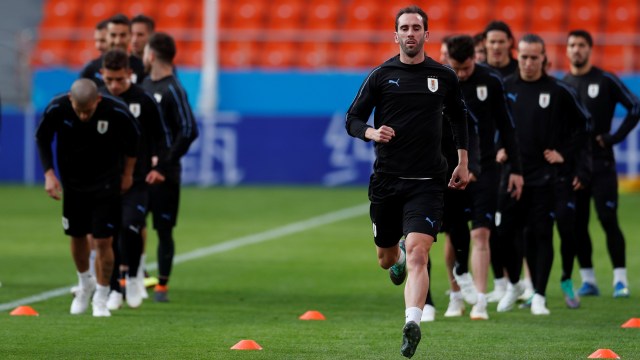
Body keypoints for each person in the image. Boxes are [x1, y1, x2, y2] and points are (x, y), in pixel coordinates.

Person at [346, 6, 469, 358]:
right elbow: (352, 118)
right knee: (387, 259)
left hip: (429, 182)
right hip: (387, 181)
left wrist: (462, 161)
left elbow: (460, 118)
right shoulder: (381, 75)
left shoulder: (443, 76)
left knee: (419, 253)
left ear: (427, 35)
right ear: (395, 35)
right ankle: (394, 253)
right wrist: (370, 131)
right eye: (405, 28)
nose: (411, 33)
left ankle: (412, 322)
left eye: (417, 27)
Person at [498, 34, 591, 315]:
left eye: (533, 57)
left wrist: (564, 152)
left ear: (544, 58)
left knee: (541, 235)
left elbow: (584, 124)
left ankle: (538, 294)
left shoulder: (558, 90)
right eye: (523, 57)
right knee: (503, 235)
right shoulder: (504, 87)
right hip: (512, 174)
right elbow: (490, 123)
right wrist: (498, 147)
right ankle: (514, 285)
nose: (527, 62)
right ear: (518, 56)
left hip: (544, 178)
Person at [35, 79, 140, 317]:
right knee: (77, 235)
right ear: (71, 100)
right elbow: (42, 138)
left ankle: (101, 297)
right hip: (73, 186)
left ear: (98, 101)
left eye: (88, 111)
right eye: (78, 110)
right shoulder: (56, 108)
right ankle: (84, 285)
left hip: (106, 184)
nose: (83, 116)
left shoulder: (115, 110)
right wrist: (49, 174)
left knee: (104, 241)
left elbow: (134, 141)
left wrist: (128, 174)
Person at [445, 34, 524, 320]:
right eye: (457, 68)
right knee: (454, 235)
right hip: (451, 171)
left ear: (474, 60)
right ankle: (456, 291)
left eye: (466, 68)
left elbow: (507, 126)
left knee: (481, 233)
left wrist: (516, 169)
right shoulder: (442, 82)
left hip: (487, 170)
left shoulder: (490, 81)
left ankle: (479, 300)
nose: (462, 74)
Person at [563, 30, 640, 298]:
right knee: (578, 223)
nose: (576, 50)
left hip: (602, 164)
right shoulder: (564, 84)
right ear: (567, 50)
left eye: (581, 45)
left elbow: (635, 106)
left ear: (589, 49)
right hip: (575, 167)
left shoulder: (605, 79)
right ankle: (589, 279)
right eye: (572, 45)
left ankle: (620, 280)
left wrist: (613, 137)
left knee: (608, 218)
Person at [99, 49, 172, 310]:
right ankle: (115, 286)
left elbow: (162, 137)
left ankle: (132, 278)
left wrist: (160, 165)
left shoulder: (143, 99)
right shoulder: (98, 98)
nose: (114, 85)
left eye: (119, 79)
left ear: (130, 74)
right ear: (102, 76)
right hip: (104, 180)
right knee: (109, 234)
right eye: (109, 80)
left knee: (131, 226)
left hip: (137, 179)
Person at [142, 32, 199, 302]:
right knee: (131, 224)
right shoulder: (142, 86)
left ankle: (162, 286)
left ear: (151, 55)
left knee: (163, 228)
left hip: (165, 174)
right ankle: (131, 278)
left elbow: (188, 129)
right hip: (139, 171)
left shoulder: (173, 88)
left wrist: (164, 164)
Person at [482, 20, 533, 303]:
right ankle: (501, 284)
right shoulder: (480, 75)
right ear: (486, 45)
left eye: (502, 41)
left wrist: (507, 150)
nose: (497, 46)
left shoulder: (520, 72)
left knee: (520, 226)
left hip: (518, 161)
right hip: (488, 162)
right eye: (492, 42)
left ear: (510, 44)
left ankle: (526, 283)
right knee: (490, 226)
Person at [80, 14, 146, 87]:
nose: (117, 41)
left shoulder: (141, 68)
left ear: (130, 36)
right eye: (113, 35)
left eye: (123, 35)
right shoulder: (91, 69)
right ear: (107, 36)